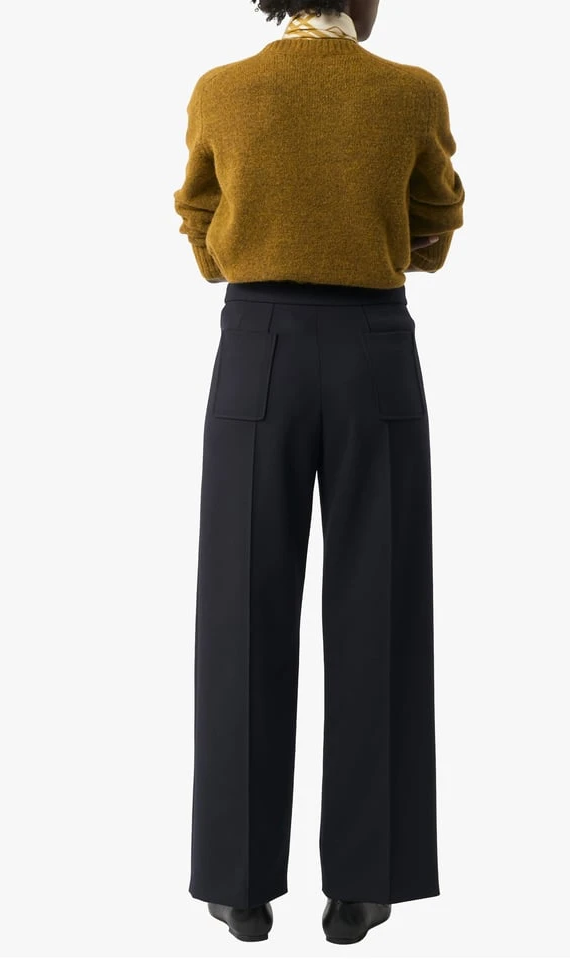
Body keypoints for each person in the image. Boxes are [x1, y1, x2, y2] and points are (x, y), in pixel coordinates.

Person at [173, 0, 465, 945]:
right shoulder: (409, 92)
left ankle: (237, 881)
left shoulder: (224, 90)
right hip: (375, 346)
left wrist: (249, 250)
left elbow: (199, 216)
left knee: (241, 605)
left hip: (255, 345)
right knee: (380, 605)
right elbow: (437, 221)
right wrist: (372, 240)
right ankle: (367, 882)